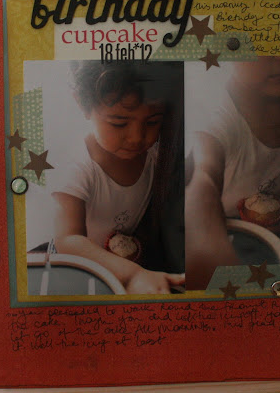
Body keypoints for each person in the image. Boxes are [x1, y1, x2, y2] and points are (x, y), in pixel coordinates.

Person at [50, 60, 185, 294]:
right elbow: (67, 240)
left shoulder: (155, 156)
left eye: (153, 121)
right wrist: (132, 274)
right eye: (119, 123)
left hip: (125, 264)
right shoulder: (76, 166)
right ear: (83, 105)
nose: (137, 137)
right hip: (76, 270)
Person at [185, 56, 280, 289]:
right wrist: (207, 243)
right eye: (264, 46)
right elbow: (203, 174)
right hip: (220, 236)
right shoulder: (215, 116)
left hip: (268, 243)